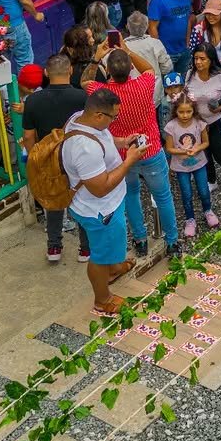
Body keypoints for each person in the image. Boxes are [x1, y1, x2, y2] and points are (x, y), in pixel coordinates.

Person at [85, 48, 179, 259]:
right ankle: (172, 241)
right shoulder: (143, 85)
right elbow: (149, 69)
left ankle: (140, 239)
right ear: (130, 69)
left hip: (121, 154)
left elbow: (85, 81)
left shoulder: (102, 94)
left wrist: (96, 58)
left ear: (107, 70)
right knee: (163, 196)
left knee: (130, 195)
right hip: (150, 149)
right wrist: (127, 51)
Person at [63, 87, 146, 316]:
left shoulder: (80, 119)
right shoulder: (85, 149)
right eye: (114, 117)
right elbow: (100, 188)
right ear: (99, 116)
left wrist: (121, 142)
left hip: (107, 204)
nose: (115, 120)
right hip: (100, 210)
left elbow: (104, 139)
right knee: (99, 255)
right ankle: (103, 299)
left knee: (112, 245)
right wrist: (128, 161)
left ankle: (115, 267)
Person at [21, 54, 88, 264]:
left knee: (54, 201)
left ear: (46, 73)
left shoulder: (33, 100)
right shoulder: (82, 97)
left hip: (50, 157)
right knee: (82, 201)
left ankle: (54, 247)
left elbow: (28, 136)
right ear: (69, 71)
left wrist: (36, 155)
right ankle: (85, 250)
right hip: (77, 156)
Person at [163, 92, 219, 239]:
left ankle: (208, 210)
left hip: (199, 164)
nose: (185, 115)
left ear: (194, 110)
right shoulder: (171, 126)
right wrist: (181, 151)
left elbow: (206, 142)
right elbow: (168, 148)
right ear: (175, 111)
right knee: (186, 194)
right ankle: (190, 219)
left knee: (204, 190)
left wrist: (197, 149)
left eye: (188, 111)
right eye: (181, 112)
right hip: (181, 167)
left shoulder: (199, 123)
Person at [186, 44, 221, 189]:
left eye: (202, 59)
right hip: (198, 120)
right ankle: (211, 180)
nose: (198, 62)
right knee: (204, 152)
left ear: (211, 60)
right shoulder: (190, 74)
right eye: (196, 58)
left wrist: (220, 108)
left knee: (219, 151)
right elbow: (187, 97)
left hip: (217, 120)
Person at [148, 0, 195, 75]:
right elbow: (152, 27)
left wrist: (187, 43)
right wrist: (159, 52)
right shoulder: (158, 0)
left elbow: (187, 19)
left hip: (184, 50)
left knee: (181, 81)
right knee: (168, 84)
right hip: (167, 53)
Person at [122, 11, 172, 111]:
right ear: (147, 26)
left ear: (127, 26)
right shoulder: (155, 43)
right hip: (153, 95)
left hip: (128, 96)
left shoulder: (121, 46)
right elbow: (167, 67)